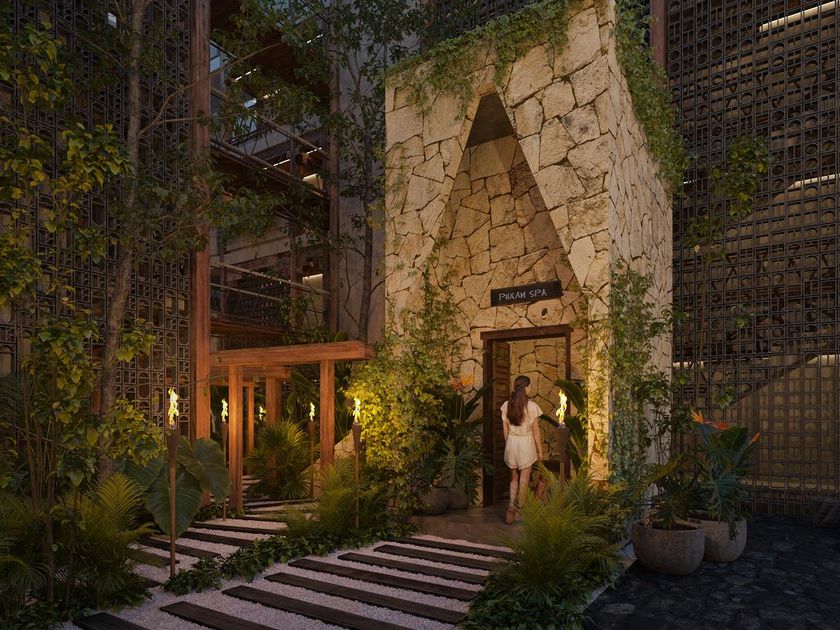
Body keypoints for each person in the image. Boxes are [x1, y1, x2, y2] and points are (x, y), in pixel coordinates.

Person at [501, 375, 544, 524]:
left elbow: (505, 429)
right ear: (525, 387)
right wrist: (540, 450)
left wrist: (508, 444)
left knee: (514, 479)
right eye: (529, 386)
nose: (530, 389)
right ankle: (520, 511)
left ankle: (511, 506)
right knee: (524, 480)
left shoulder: (507, 405)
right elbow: (536, 431)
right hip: (526, 443)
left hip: (512, 443)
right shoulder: (531, 407)